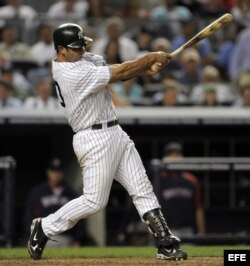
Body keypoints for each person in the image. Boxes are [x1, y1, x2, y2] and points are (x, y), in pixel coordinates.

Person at [27, 23, 187, 261]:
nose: (81, 50)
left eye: (83, 44)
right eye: (75, 47)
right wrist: (150, 58)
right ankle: (45, 227)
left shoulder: (78, 59)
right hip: (93, 138)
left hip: (114, 130)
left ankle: (165, 242)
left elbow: (118, 69)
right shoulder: (70, 73)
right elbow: (120, 73)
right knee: (94, 201)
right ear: (60, 49)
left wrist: (145, 67)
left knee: (141, 188)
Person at [24, 157, 87, 247]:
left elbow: (79, 218)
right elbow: (28, 217)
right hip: (44, 236)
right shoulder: (37, 192)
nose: (56, 174)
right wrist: (33, 235)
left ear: (63, 173)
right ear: (48, 172)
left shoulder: (71, 193)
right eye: (53, 171)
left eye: (59, 171)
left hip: (66, 237)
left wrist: (78, 239)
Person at [157, 142, 206, 237]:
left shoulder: (191, 180)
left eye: (177, 154)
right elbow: (152, 209)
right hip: (166, 230)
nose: (174, 157)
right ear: (165, 157)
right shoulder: (159, 180)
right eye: (170, 154)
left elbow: (198, 208)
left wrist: (202, 233)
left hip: (187, 229)